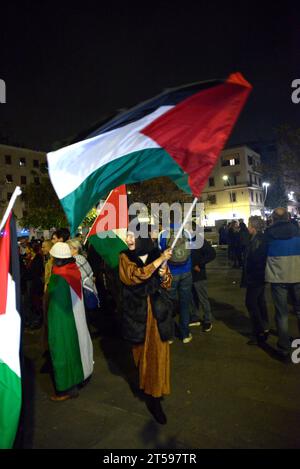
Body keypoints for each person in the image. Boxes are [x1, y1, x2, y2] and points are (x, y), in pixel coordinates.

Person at [119, 227, 173, 424]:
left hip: (158, 316)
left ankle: (156, 397)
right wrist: (158, 262)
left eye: (132, 235)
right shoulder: (124, 257)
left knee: (158, 357)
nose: (128, 239)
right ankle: (147, 389)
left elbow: (167, 284)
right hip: (137, 317)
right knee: (141, 358)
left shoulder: (155, 254)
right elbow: (133, 276)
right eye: (127, 235)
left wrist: (164, 272)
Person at [47, 242, 93, 401]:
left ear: (58, 259)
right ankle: (80, 377)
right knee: (77, 347)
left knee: (62, 351)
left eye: (53, 258)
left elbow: (55, 307)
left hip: (63, 321)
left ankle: (66, 388)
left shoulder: (59, 277)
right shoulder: (73, 270)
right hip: (76, 316)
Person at [265, 208, 300, 358]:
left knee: (282, 313)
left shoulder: (268, 234)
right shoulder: (297, 231)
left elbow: (261, 254)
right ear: (288, 217)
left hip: (277, 277)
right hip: (298, 275)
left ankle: (284, 347)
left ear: (273, 218)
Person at [159, 213, 193, 343]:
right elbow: (190, 252)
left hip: (170, 273)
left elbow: (161, 252)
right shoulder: (187, 233)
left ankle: (170, 335)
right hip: (186, 272)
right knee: (184, 303)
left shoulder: (163, 234)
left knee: (169, 304)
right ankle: (185, 334)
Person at [241, 216, 269, 345]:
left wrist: (250, 275)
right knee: (260, 302)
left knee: (251, 303)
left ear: (253, 227)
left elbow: (255, 260)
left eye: (249, 225)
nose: (247, 227)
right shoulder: (258, 238)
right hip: (259, 276)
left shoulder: (257, 240)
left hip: (255, 277)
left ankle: (259, 332)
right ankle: (264, 327)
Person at [189, 228, 216, 332]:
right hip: (188, 274)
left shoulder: (198, 240)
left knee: (202, 298)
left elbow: (212, 253)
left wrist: (199, 264)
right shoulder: (186, 240)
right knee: (191, 297)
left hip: (198, 275)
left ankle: (207, 320)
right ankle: (195, 317)